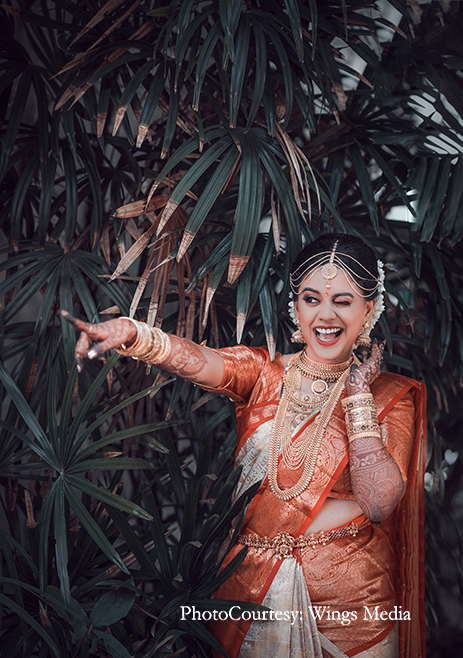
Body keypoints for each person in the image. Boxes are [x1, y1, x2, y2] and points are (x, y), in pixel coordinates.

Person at [63, 233, 426, 658]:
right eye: (311, 299)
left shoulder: (388, 398)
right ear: (296, 305)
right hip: (250, 589)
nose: (325, 315)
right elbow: (201, 361)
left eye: (342, 301)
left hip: (353, 601)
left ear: (369, 309)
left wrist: (359, 398)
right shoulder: (264, 374)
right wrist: (135, 335)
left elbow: (380, 503)